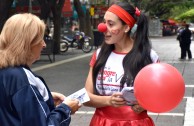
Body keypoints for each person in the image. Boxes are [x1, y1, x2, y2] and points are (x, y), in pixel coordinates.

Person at [84, 1, 159, 126]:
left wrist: (144, 104)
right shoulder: (99, 55)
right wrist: (108, 101)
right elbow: (86, 96)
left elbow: (158, 95)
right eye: (104, 22)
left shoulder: (149, 56)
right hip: (102, 122)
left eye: (111, 24)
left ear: (126, 27)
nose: (103, 28)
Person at [0, 13, 81, 126]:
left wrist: (41, 97)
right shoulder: (22, 78)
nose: (43, 44)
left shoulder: (6, 71)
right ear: (27, 43)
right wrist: (66, 109)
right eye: (40, 39)